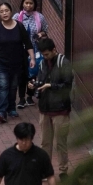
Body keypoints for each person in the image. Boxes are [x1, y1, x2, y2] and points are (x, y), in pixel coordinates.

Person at [0, 2, 36, 123]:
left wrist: (32, 58)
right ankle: (1, 111)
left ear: (11, 11)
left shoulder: (19, 27)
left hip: (17, 63)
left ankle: (11, 108)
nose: (4, 13)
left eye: (6, 10)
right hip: (0, 63)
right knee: (3, 86)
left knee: (13, 87)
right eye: (2, 11)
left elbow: (27, 43)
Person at [33, 37, 73, 176]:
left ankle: (63, 171)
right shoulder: (43, 64)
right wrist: (35, 85)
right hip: (45, 109)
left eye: (47, 54)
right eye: (43, 55)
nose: (45, 57)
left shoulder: (64, 63)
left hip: (60, 110)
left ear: (54, 50)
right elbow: (41, 81)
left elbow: (67, 86)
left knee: (60, 143)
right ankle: (46, 171)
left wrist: (51, 86)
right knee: (45, 143)